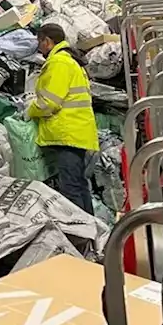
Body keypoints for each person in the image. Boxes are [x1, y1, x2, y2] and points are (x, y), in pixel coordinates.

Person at [28, 23, 99, 214]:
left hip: (67, 133)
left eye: (40, 42)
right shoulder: (70, 60)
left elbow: (50, 102)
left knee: (71, 188)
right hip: (76, 131)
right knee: (79, 184)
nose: (39, 47)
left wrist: (29, 111)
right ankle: (91, 231)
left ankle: (80, 235)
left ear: (48, 41)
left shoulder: (58, 62)